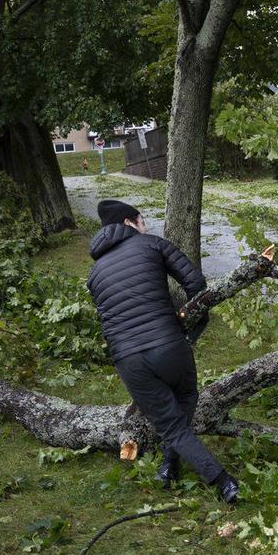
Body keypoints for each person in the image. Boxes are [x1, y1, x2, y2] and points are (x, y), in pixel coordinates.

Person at [86, 199, 239, 503]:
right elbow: (196, 282)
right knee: (186, 398)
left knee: (170, 426)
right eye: (142, 221)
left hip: (128, 360)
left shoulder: (94, 274)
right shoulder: (152, 245)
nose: (146, 226)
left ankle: (169, 466)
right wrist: (191, 328)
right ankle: (223, 481)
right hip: (169, 345)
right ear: (129, 223)